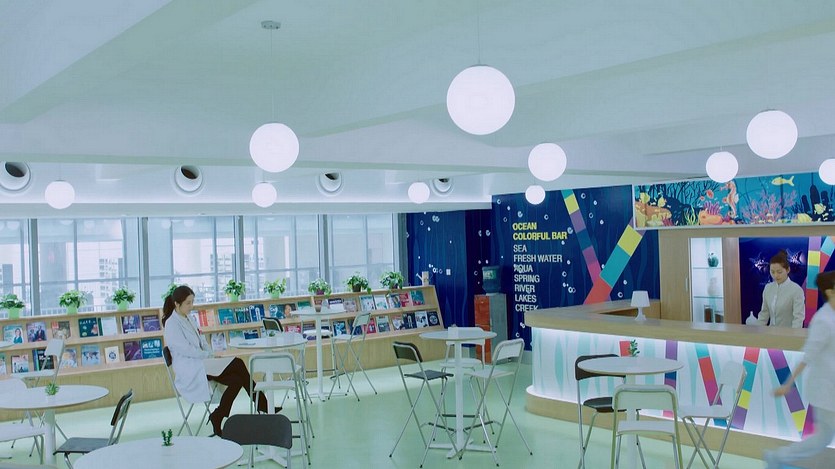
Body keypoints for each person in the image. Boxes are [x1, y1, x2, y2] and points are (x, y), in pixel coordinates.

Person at [162, 285, 274, 437]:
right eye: (188, 303)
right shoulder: (172, 324)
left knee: (236, 380)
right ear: (177, 304)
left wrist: (211, 354)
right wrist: (207, 356)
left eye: (192, 302)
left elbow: (202, 341)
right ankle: (263, 404)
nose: (191, 306)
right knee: (238, 363)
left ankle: (218, 415)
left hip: (203, 361)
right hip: (190, 367)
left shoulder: (189, 318)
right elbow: (186, 350)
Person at [764, 270, 835, 467]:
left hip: (829, 387)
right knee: (823, 437)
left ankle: (779, 456)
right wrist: (788, 384)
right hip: (826, 390)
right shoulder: (823, 320)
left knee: (823, 437)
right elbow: (808, 356)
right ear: (830, 292)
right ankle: (779, 457)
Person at [753, 251, 805, 328]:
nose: (775, 275)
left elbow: (798, 319)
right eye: (772, 272)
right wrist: (757, 332)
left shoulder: (796, 290)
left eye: (779, 272)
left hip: (788, 334)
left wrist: (793, 335)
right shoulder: (768, 288)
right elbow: (764, 315)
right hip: (770, 333)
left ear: (788, 270)